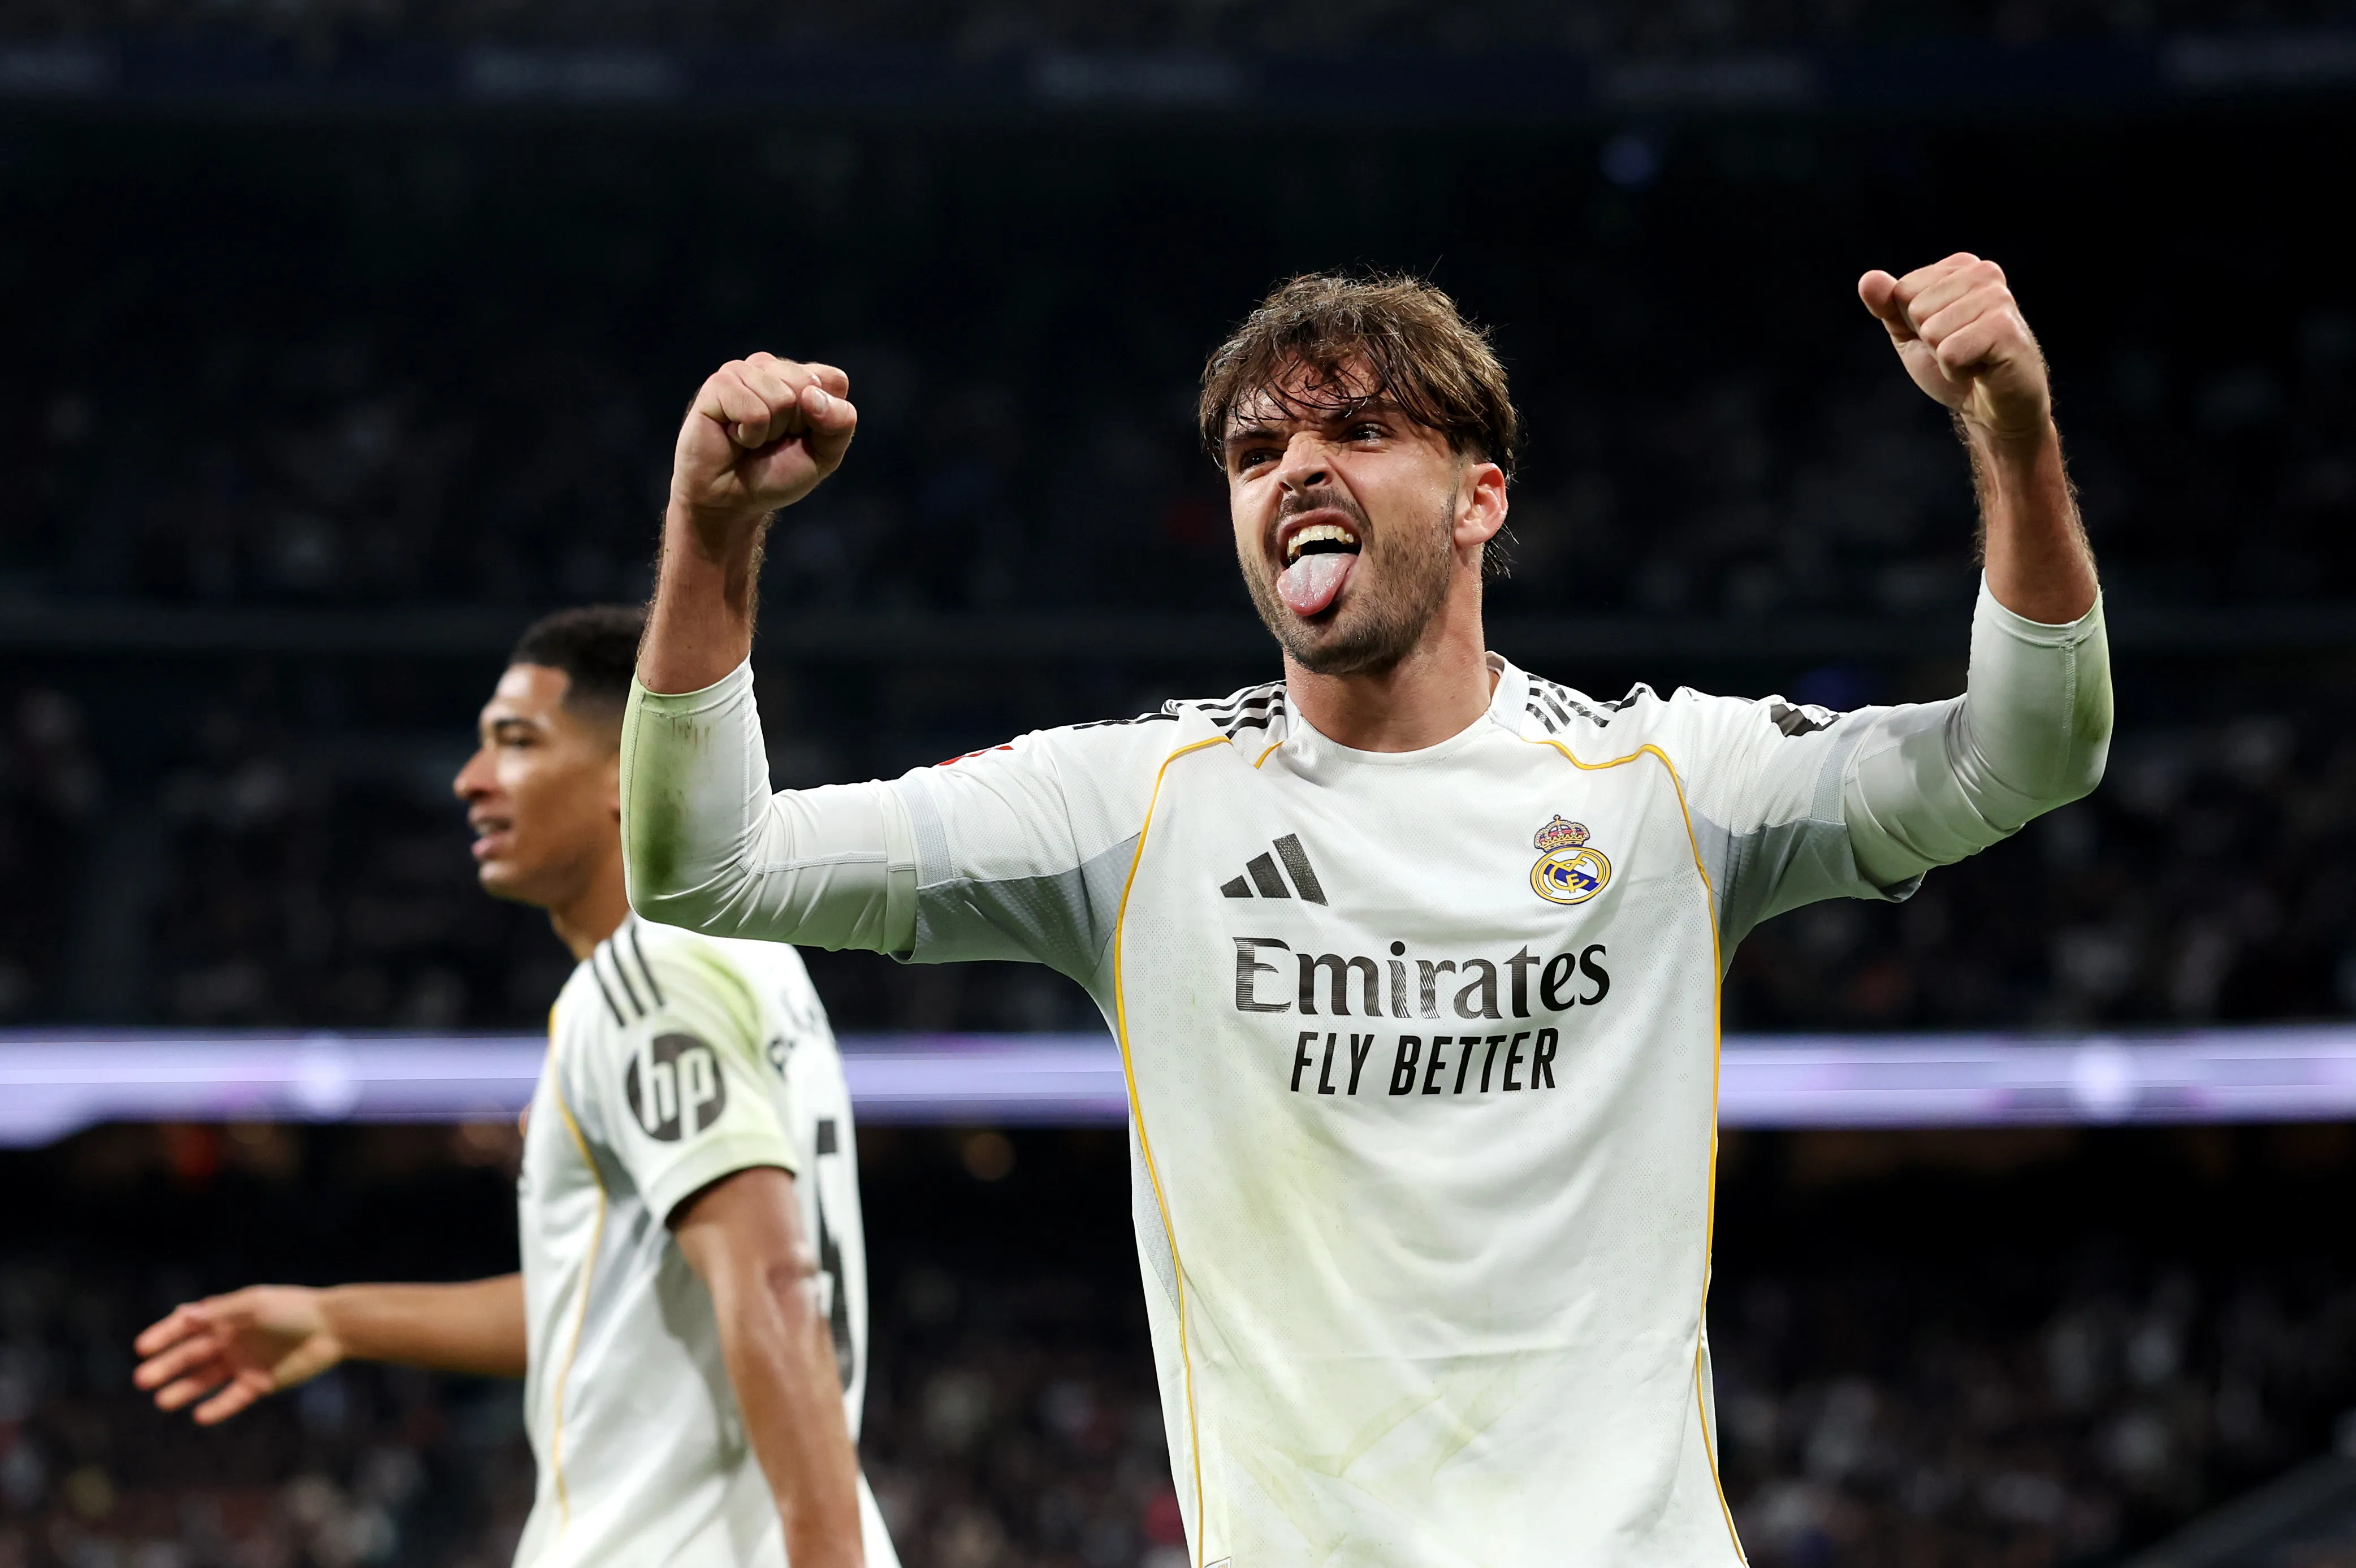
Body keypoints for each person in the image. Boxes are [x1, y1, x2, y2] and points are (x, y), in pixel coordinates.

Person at [619, 258, 2111, 1564]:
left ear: (1479, 498)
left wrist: (2009, 431)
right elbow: (707, 866)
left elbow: (2028, 749)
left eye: (1358, 428)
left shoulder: (1670, 781)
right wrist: (712, 531)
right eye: (1255, 449)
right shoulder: (1132, 806)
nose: (1294, 469)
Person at [133, 605, 897, 1568]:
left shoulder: (645, 980)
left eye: (517, 742)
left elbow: (774, 1284)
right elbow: (601, 1304)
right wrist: (335, 1317)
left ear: (632, 774)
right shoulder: (742, 964)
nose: (471, 779)